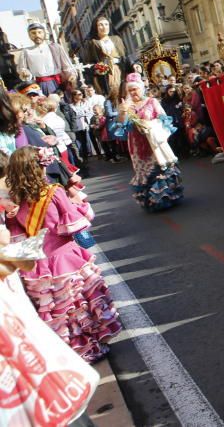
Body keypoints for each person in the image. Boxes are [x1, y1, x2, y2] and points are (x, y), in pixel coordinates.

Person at [3, 146, 122, 361]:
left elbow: (17, 236)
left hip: (38, 264)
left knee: (60, 309)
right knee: (79, 304)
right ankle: (91, 345)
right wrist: (83, 205)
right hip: (65, 256)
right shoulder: (53, 191)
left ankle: (75, 349)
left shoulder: (15, 201)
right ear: (39, 168)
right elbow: (75, 223)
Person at [110, 73, 183, 212]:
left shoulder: (152, 102)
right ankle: (151, 200)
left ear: (141, 89)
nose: (132, 92)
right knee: (143, 171)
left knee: (159, 168)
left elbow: (164, 119)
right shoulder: (126, 105)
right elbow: (120, 127)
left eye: (135, 89)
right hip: (137, 145)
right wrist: (123, 112)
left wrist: (150, 124)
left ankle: (166, 197)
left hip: (154, 142)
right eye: (130, 90)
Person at [15, 23, 75, 95]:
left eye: (39, 32)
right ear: (29, 35)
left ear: (44, 33)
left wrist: (71, 74)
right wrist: (25, 73)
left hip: (58, 82)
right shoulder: (26, 52)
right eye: (33, 33)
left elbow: (66, 64)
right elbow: (22, 68)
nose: (37, 35)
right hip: (39, 85)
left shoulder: (55, 47)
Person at [80, 15, 128, 98]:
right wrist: (97, 68)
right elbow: (88, 63)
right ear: (96, 27)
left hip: (120, 71)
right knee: (111, 95)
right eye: (100, 25)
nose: (104, 27)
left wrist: (134, 65)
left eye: (106, 24)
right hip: (104, 75)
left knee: (124, 93)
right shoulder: (92, 43)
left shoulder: (117, 39)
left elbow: (124, 57)